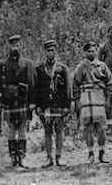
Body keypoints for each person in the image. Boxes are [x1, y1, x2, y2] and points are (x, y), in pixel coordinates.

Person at [0, 34, 36, 169]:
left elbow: (32, 83)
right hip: (9, 101)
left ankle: (22, 157)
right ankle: (13, 158)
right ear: (9, 46)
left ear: (21, 46)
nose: (15, 48)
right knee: (11, 129)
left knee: (23, 128)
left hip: (23, 100)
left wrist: (32, 102)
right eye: (12, 45)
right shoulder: (2, 65)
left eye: (17, 45)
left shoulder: (27, 63)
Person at [72, 41, 112, 165]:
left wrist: (108, 99)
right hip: (85, 97)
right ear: (85, 53)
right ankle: (90, 154)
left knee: (101, 127)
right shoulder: (80, 67)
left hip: (99, 97)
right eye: (89, 51)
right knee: (88, 128)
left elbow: (110, 84)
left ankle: (102, 153)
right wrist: (77, 101)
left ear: (97, 51)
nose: (92, 53)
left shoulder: (102, 66)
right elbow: (75, 85)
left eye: (94, 50)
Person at [34, 39, 72, 168]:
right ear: (45, 52)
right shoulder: (39, 69)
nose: (51, 53)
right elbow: (36, 89)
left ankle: (59, 157)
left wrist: (67, 105)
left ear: (56, 51)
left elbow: (68, 88)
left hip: (59, 104)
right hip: (45, 105)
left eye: (53, 50)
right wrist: (37, 106)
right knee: (47, 131)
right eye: (48, 51)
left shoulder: (62, 68)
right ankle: (48, 157)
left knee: (59, 131)